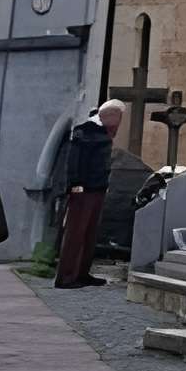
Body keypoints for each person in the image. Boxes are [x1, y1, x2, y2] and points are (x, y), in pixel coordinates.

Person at [54, 99, 122, 288]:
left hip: (97, 188)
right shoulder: (85, 131)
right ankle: (66, 276)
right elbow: (74, 162)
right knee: (76, 232)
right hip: (83, 189)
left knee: (89, 234)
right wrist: (76, 186)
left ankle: (81, 273)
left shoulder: (102, 133)